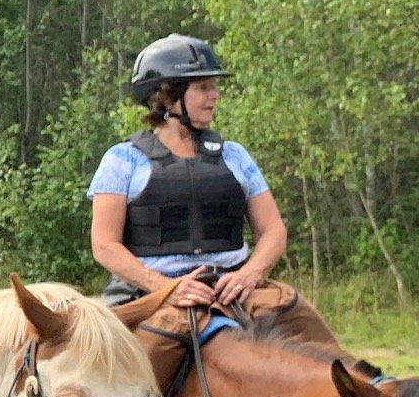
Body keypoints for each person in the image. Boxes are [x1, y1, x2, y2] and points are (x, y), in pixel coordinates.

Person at [89, 33, 287, 312]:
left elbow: (273, 230)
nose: (214, 95)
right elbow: (105, 245)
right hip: (147, 295)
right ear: (168, 96)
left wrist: (250, 273)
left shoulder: (235, 155)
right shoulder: (122, 160)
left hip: (232, 289)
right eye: (203, 87)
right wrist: (164, 287)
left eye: (214, 86)